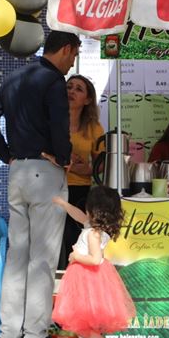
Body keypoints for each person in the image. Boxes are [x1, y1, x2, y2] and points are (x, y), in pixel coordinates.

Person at [0, 31, 79, 338]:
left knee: (17, 257)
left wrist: (7, 154)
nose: (72, 63)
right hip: (44, 173)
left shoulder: (15, 78)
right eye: (74, 55)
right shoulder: (53, 81)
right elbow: (59, 125)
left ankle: (8, 337)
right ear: (65, 50)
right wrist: (62, 156)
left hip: (18, 172)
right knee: (42, 260)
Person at [52, 186, 135, 338]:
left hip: (85, 277)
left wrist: (76, 256)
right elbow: (78, 216)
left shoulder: (92, 234)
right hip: (94, 280)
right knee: (91, 325)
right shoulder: (94, 228)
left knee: (79, 324)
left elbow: (95, 259)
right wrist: (64, 204)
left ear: (93, 209)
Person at [58, 74, 104, 271]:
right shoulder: (53, 122)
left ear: (87, 100)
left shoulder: (94, 128)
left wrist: (83, 168)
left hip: (79, 190)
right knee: (52, 240)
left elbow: (101, 166)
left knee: (72, 239)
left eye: (78, 89)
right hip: (52, 187)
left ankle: (72, 280)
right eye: (69, 87)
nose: (72, 91)